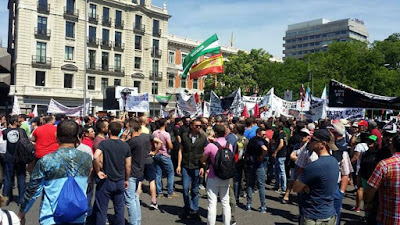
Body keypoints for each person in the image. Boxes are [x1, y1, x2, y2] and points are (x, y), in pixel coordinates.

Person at [18, 120, 93, 225]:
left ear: (56, 135)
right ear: (77, 136)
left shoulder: (47, 160)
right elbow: (88, 182)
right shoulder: (86, 159)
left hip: (51, 218)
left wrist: (21, 213)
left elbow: (33, 191)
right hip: (78, 215)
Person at [293, 129, 339, 225]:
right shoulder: (334, 161)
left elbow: (296, 188)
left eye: (313, 140)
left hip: (313, 217)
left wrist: (305, 186)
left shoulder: (315, 166)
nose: (310, 143)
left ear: (322, 144)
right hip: (330, 215)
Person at [93, 122, 131, 225]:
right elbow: (128, 166)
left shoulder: (104, 143)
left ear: (109, 131)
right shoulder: (125, 145)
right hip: (119, 179)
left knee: (102, 209)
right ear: (120, 132)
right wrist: (126, 179)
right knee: (119, 209)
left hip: (106, 179)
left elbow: (96, 157)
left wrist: (98, 171)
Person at [125, 120, 159, 224]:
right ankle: (137, 221)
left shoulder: (132, 142)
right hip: (140, 168)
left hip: (132, 172)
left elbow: (124, 152)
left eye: (126, 128)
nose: (125, 130)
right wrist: (154, 152)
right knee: (134, 198)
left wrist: (124, 139)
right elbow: (159, 142)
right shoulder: (143, 138)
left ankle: (135, 222)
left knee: (131, 199)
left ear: (131, 128)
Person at [365, 134, 400, 225]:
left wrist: (368, 203)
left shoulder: (385, 165)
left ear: (392, 146)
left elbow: (371, 188)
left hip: (388, 218)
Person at [177, 119, 207, 221]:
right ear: (191, 126)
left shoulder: (203, 138)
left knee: (195, 189)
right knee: (185, 189)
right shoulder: (185, 136)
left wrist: (203, 167)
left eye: (200, 126)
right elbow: (180, 150)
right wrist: (178, 165)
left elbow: (205, 154)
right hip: (186, 165)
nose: (199, 127)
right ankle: (187, 206)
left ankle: (194, 209)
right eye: (196, 126)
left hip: (197, 166)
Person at [202, 125, 232, 225]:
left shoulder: (211, 146)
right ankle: (227, 223)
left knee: (212, 203)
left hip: (213, 175)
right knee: (225, 202)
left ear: (215, 133)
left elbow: (203, 158)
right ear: (225, 133)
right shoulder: (229, 145)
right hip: (225, 175)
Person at [2, 115, 27, 206]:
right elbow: (25, 142)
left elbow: (4, 142)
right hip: (20, 157)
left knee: (8, 177)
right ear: (15, 122)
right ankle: (21, 199)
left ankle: (6, 198)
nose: (20, 123)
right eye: (19, 121)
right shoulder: (22, 131)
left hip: (9, 156)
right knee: (21, 177)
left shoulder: (5, 132)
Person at [282, 128, 310, 203]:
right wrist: (302, 160)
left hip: (305, 169)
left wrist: (299, 159)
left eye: (305, 135)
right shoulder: (297, 145)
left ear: (308, 137)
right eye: (301, 135)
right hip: (295, 167)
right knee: (291, 180)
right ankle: (287, 195)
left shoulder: (309, 147)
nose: (302, 137)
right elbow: (292, 156)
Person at [152, 118, 177, 198]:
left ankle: (159, 192)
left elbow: (152, 143)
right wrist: (171, 146)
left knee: (158, 173)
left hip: (156, 154)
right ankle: (170, 192)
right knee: (170, 173)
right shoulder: (166, 134)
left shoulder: (154, 133)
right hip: (165, 154)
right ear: (165, 124)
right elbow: (170, 145)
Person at [245, 128, 268, 213]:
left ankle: (248, 204)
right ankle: (263, 206)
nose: (264, 136)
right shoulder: (259, 141)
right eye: (263, 134)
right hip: (258, 165)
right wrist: (262, 156)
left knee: (250, 185)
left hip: (250, 164)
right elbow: (264, 148)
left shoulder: (251, 140)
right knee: (261, 186)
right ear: (259, 134)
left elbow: (247, 152)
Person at [273, 123, 287, 193]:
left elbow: (281, 144)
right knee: (278, 170)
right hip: (282, 154)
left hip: (281, 154)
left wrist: (276, 151)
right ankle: (278, 185)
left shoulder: (281, 135)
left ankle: (283, 187)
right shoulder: (284, 134)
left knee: (281, 171)